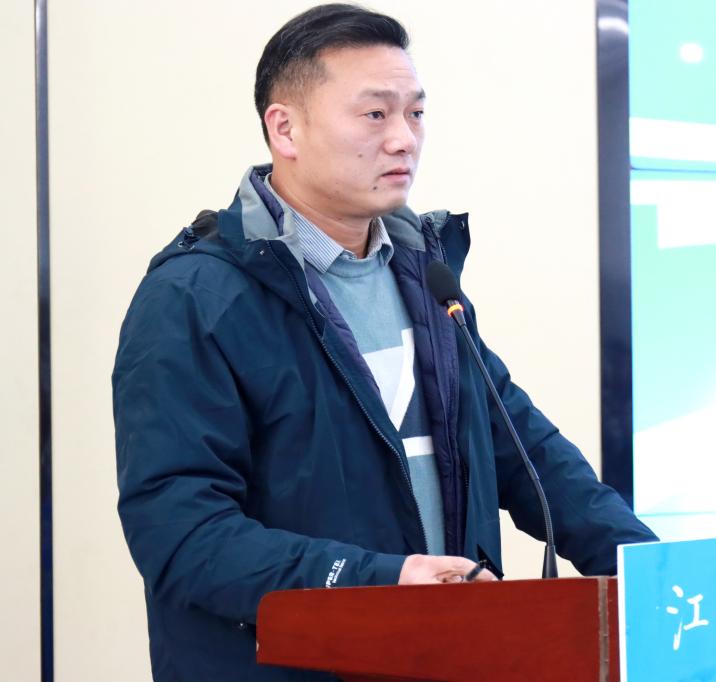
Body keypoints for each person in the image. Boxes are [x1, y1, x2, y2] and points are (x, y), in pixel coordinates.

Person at [113, 4, 657, 681]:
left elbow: (525, 449)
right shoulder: (195, 298)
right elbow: (180, 533)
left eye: (416, 113)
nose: (404, 139)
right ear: (285, 128)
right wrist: (379, 581)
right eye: (375, 114)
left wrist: (651, 570)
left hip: (447, 657)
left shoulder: (425, 273)